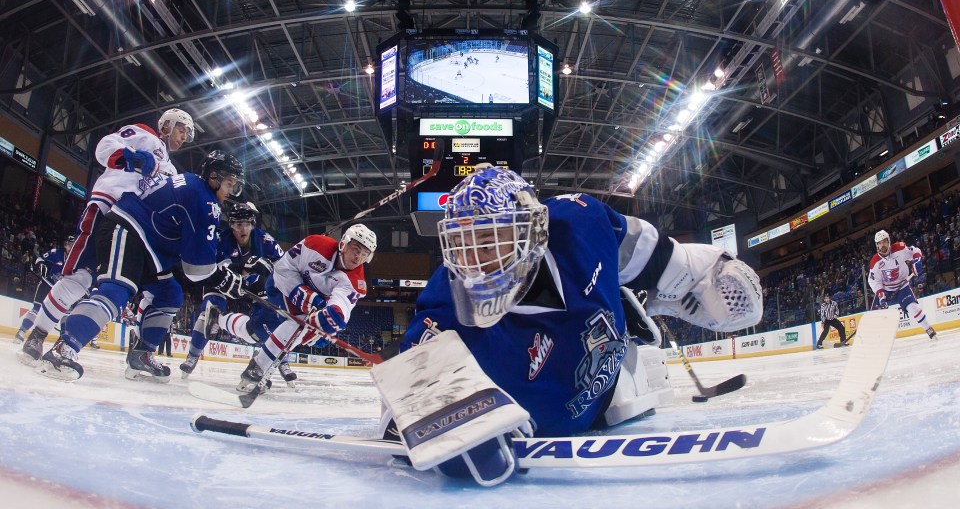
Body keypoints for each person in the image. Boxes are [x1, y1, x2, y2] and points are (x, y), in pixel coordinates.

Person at [370, 164, 762, 486]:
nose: (477, 264)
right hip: (552, 423)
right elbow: (408, 401)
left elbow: (655, 256)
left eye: (490, 242)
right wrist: (437, 428)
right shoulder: (444, 307)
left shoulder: (580, 220)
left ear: (532, 228)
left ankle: (640, 313)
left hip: (612, 384)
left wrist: (706, 272)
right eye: (464, 246)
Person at [36, 150, 247, 383]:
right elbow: (196, 270)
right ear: (214, 177)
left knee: (170, 294)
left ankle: (142, 355)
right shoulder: (204, 200)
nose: (231, 192)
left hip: (150, 247)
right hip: (129, 230)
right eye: (229, 184)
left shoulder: (193, 185)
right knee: (116, 291)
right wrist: (224, 280)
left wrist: (219, 274)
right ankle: (63, 349)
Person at [18, 109, 196, 365]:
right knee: (81, 276)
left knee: (137, 288)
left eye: (187, 134)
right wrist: (131, 157)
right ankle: (38, 333)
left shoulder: (170, 169)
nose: (183, 137)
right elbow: (106, 146)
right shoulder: (144, 135)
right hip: (108, 206)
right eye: (182, 130)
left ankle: (141, 351)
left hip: (135, 229)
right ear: (167, 125)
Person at [228, 224, 376, 394]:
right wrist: (305, 295)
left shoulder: (356, 282)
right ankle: (258, 368)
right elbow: (282, 269)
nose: (358, 257)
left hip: (305, 308)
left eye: (364, 254)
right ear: (344, 243)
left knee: (254, 331)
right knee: (298, 325)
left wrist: (330, 321)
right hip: (280, 288)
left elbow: (340, 308)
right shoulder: (316, 244)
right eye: (356, 249)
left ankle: (221, 321)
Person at [179, 201, 284, 379]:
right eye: (237, 225)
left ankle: (273, 361)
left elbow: (284, 266)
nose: (242, 229)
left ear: (253, 224)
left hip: (253, 284)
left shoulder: (265, 239)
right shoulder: (221, 239)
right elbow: (220, 271)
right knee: (208, 312)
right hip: (225, 281)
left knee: (268, 316)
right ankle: (193, 355)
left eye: (247, 224)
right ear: (231, 225)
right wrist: (248, 265)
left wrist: (274, 271)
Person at [868, 229, 937, 339]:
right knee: (875, 314)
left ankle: (928, 328)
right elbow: (874, 281)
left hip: (902, 286)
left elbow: (915, 251)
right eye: (880, 243)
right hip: (886, 290)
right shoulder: (875, 262)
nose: (883, 245)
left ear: (889, 241)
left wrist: (917, 261)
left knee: (913, 307)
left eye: (884, 241)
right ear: (877, 245)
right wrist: (881, 295)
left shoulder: (899, 248)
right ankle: (874, 337)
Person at [14, 235, 75, 343]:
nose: (70, 247)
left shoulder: (76, 261)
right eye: (69, 244)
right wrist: (41, 265)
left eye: (73, 245)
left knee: (66, 313)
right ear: (65, 245)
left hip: (62, 290)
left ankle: (63, 341)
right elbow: (40, 259)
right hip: (46, 284)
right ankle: (21, 332)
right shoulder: (56, 253)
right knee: (37, 309)